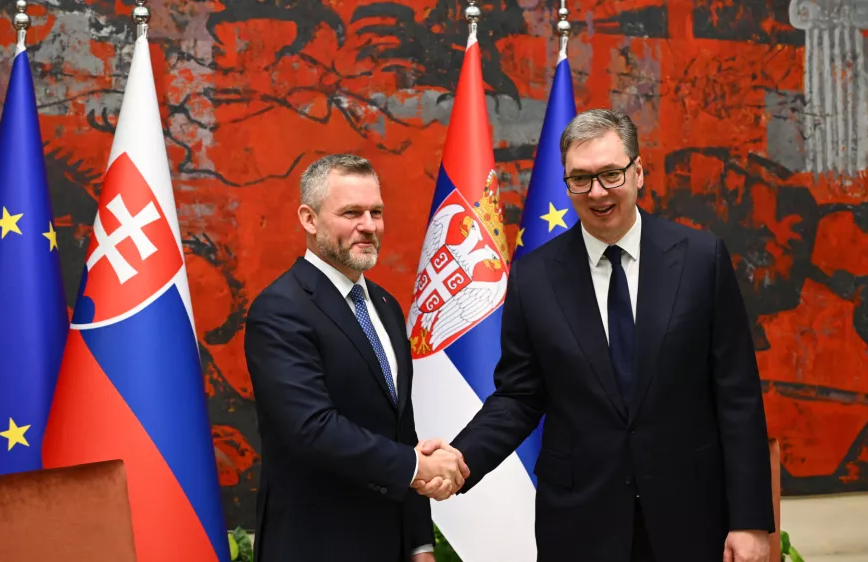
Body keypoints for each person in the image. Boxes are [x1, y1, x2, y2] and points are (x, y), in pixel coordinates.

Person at [415, 109, 775, 562]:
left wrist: (750, 521)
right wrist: (461, 457)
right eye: (580, 179)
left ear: (638, 172)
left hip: (690, 516)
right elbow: (519, 397)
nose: (597, 192)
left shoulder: (702, 260)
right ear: (565, 183)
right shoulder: (534, 278)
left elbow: (737, 397)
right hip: (580, 524)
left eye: (611, 174)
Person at [244, 154, 469, 562]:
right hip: (315, 545)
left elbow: (403, 428)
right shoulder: (279, 309)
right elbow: (310, 428)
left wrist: (419, 544)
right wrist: (416, 468)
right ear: (309, 219)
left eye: (376, 212)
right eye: (351, 213)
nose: (369, 226)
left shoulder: (384, 306)